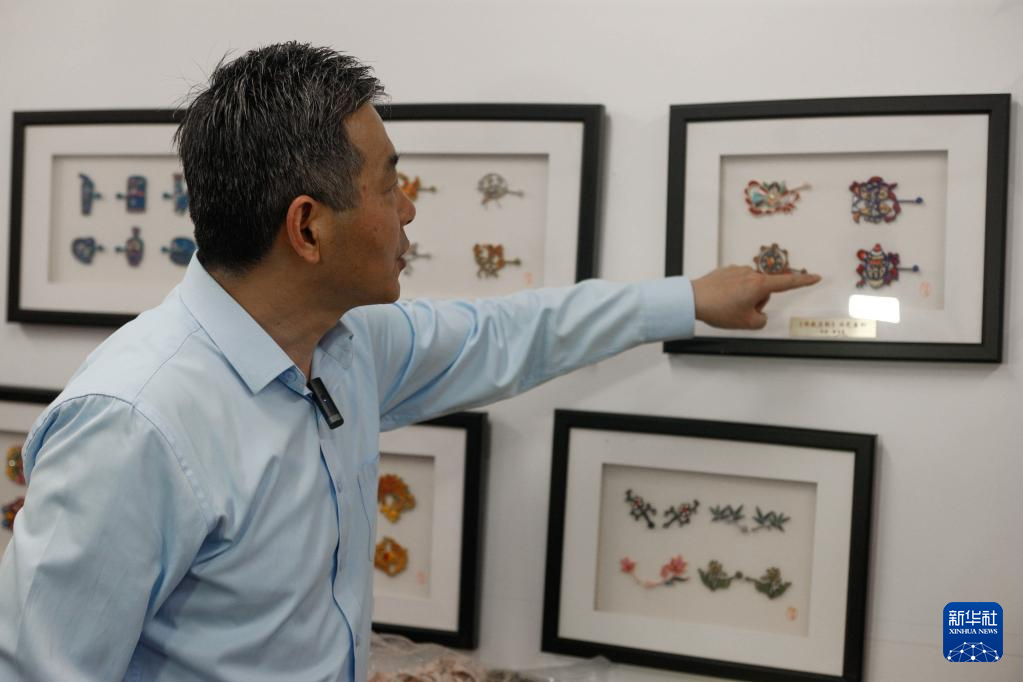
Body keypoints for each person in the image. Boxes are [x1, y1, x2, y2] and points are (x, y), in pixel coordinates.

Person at [0, 42, 819, 681]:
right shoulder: (136, 424)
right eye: (390, 184)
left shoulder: (345, 348)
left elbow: (508, 333)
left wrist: (688, 300)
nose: (410, 208)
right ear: (308, 227)